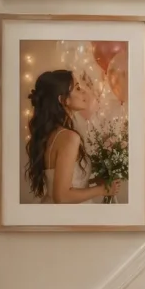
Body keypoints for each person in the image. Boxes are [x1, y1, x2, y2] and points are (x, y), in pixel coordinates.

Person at [26, 70, 120, 204]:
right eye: (77, 88)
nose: (83, 91)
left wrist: (93, 181)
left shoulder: (51, 134)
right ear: (63, 100)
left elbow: (62, 180)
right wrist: (102, 190)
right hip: (67, 214)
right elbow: (62, 196)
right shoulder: (69, 137)